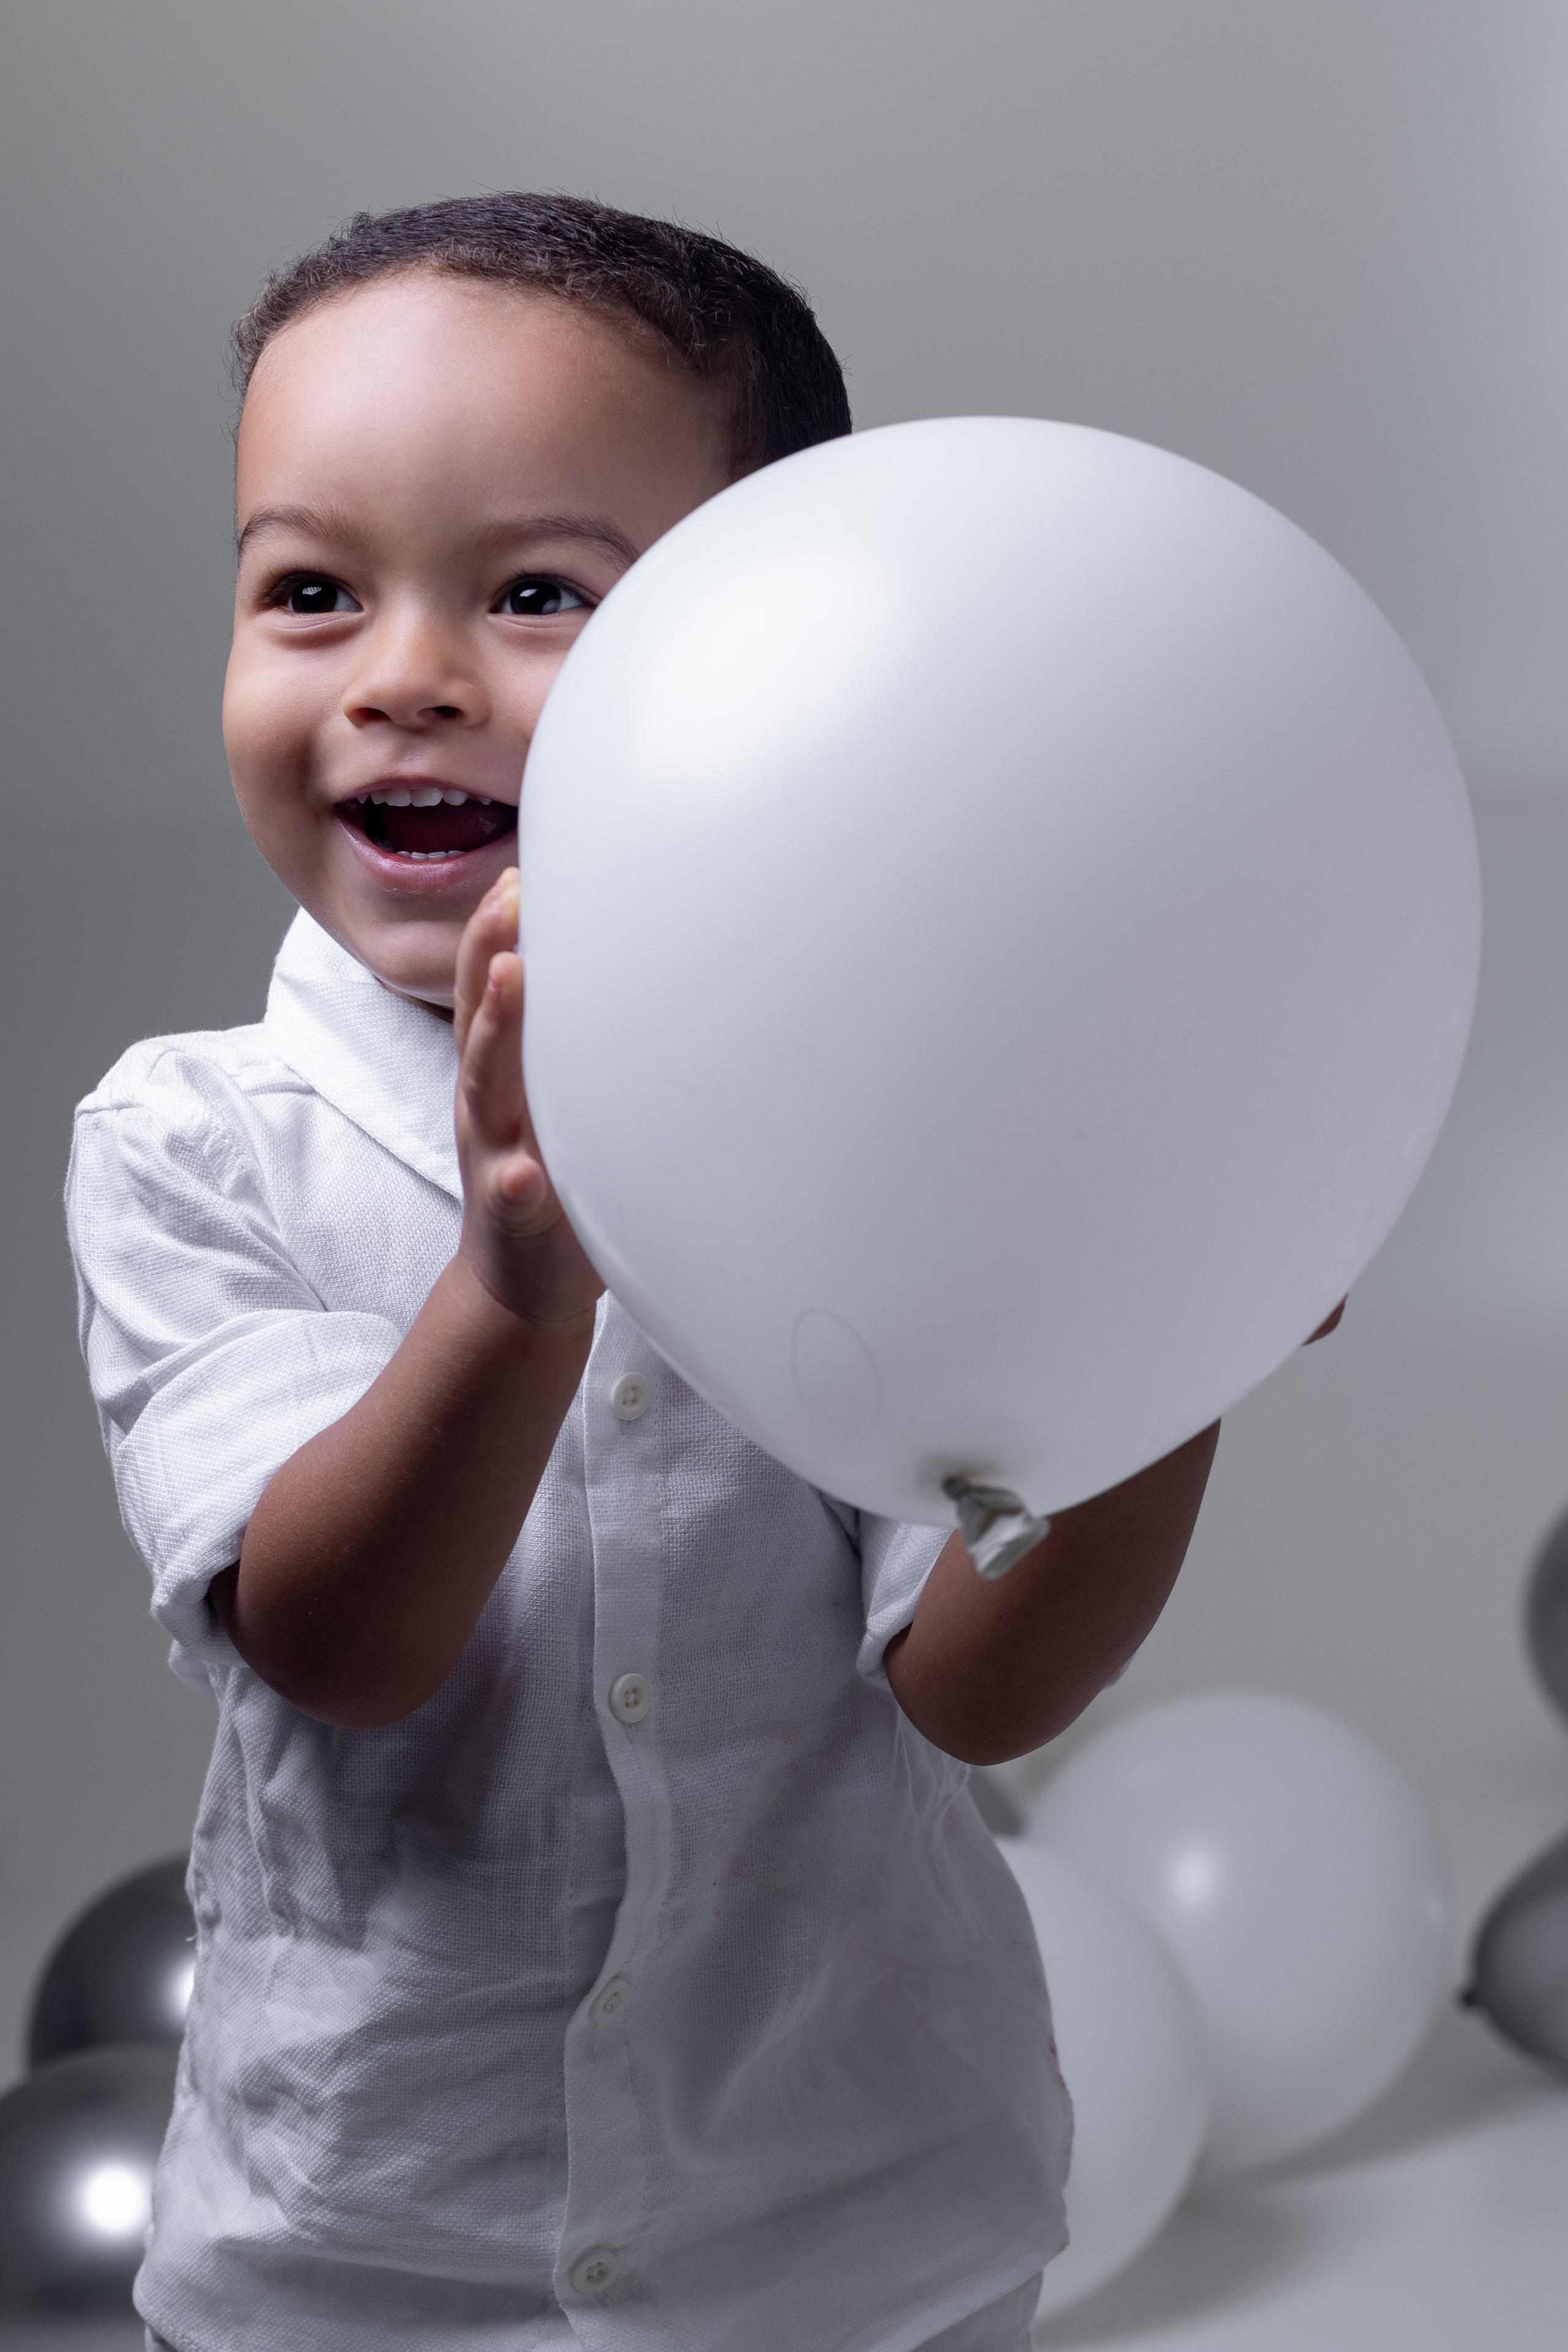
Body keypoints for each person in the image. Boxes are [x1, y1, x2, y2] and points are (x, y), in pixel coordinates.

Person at [66, 194, 1220, 2352]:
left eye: (532, 593)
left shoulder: (883, 1118)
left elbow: (979, 1687)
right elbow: (337, 1643)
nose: (402, 672)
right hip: (367, 2249)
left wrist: (1172, 1341)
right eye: (308, 590)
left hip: (857, 2220)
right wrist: (518, 1280)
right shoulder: (194, 1135)